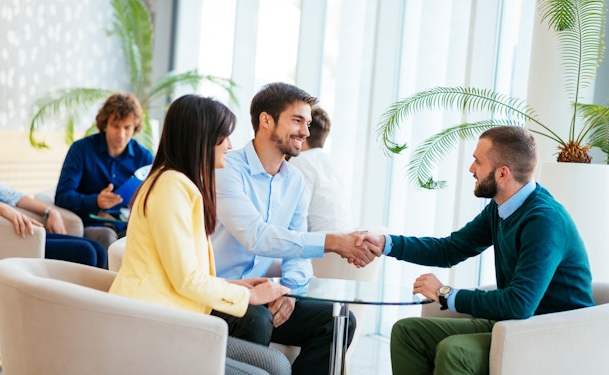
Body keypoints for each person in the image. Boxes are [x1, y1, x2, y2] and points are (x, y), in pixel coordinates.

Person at [367, 126, 593, 375]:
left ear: (502, 174)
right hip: (514, 325)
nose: (471, 169)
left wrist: (444, 293)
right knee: (407, 332)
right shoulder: (501, 208)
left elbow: (519, 305)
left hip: (550, 335)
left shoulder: (544, 221)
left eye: (477, 162)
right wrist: (386, 243)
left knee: (454, 351)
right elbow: (449, 250)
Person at [109, 94, 292, 375]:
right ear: (202, 139)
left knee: (277, 364)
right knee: (270, 370)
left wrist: (237, 285)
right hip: (154, 326)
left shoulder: (177, 182)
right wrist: (250, 298)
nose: (230, 146)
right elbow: (186, 279)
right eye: (224, 138)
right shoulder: (171, 186)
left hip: (177, 318)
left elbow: (180, 271)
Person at [211, 82, 381, 375]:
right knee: (257, 318)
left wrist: (289, 290)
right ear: (266, 120)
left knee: (338, 319)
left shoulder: (295, 181)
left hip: (266, 296)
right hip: (222, 294)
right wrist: (332, 241)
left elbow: (297, 255)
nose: (305, 131)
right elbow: (256, 237)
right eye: (297, 120)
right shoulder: (227, 170)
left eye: (308, 122)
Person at [55, 92, 154, 249]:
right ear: (105, 124)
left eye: (127, 127)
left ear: (135, 127)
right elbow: (62, 196)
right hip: (93, 224)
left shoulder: (144, 157)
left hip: (128, 226)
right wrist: (96, 201)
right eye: (115, 126)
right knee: (108, 237)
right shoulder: (81, 150)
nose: (121, 134)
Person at [0, 171, 107, 268]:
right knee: (86, 252)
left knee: (99, 250)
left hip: (16, 232)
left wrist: (50, 211)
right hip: (0, 242)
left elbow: (17, 197)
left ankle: (97, 297)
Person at [287, 106, 352, 232]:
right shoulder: (331, 162)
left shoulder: (301, 160)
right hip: (345, 238)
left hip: (323, 245)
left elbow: (297, 216)